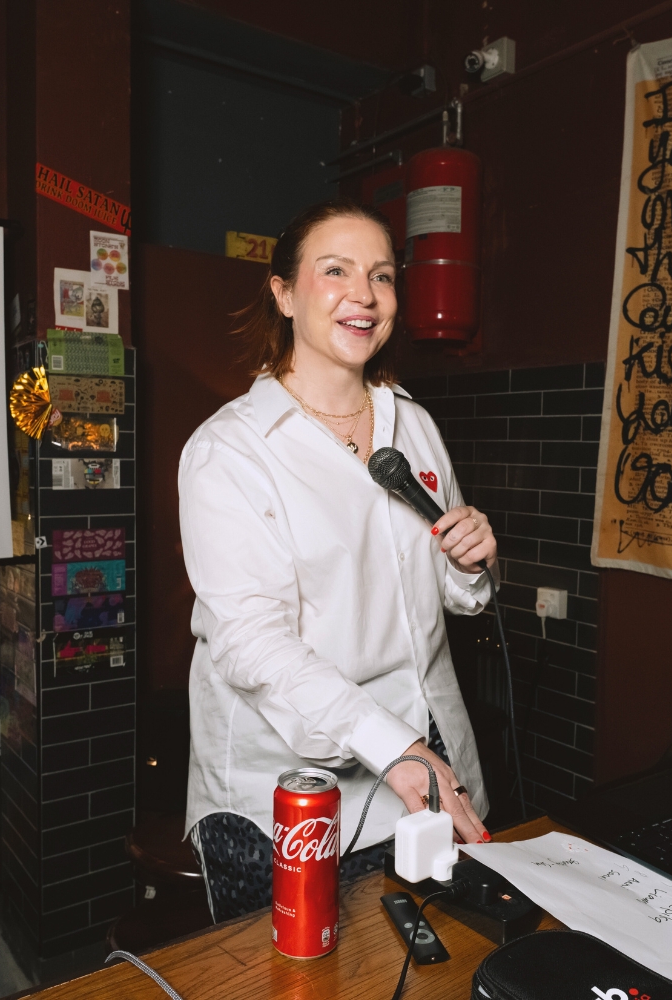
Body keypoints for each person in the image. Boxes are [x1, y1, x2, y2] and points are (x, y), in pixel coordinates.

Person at [179, 200, 498, 921]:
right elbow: (252, 642)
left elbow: (454, 594)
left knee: (441, 964)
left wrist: (470, 560)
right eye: (335, 271)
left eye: (381, 276)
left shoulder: (413, 424)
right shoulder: (229, 451)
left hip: (433, 769)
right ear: (284, 294)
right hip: (290, 804)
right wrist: (391, 745)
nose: (365, 295)